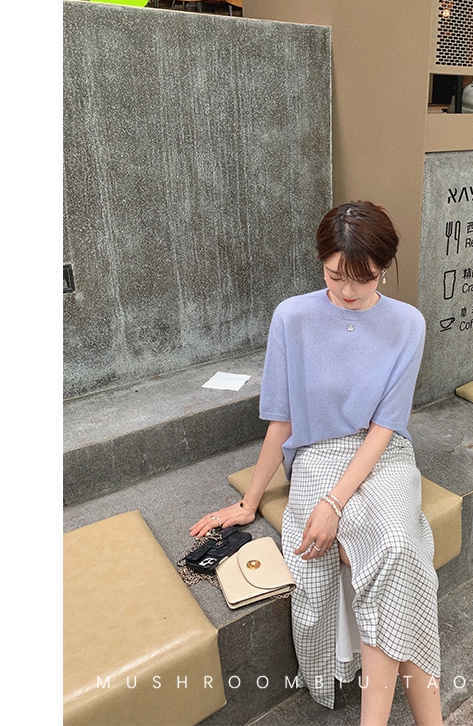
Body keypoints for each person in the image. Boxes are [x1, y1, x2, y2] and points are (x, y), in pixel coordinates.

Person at [190, 201, 443, 726]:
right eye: (334, 275)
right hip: (317, 455)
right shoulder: (293, 317)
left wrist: (334, 503)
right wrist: (250, 502)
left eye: (364, 278)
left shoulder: (407, 324)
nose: (348, 291)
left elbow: (385, 427)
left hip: (383, 454)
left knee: (397, 547)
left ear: (384, 267)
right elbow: (282, 421)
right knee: (385, 553)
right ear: (320, 262)